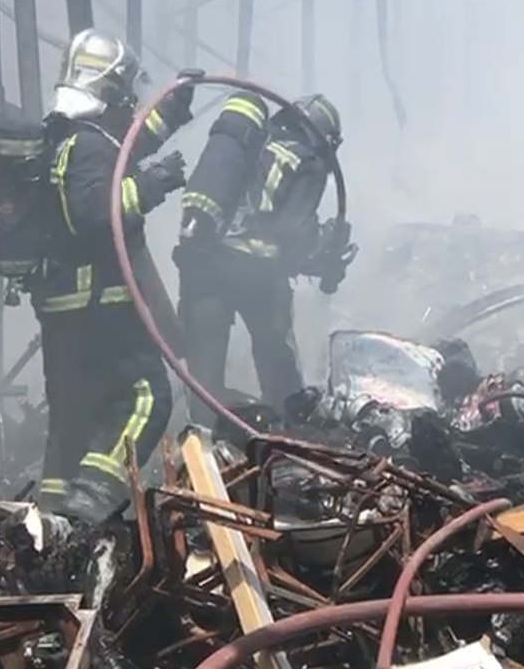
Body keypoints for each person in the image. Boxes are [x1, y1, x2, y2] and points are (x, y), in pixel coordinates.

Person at [32, 28, 197, 520]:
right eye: (125, 89)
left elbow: (127, 145)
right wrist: (153, 184)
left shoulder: (65, 138)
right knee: (150, 398)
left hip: (65, 307)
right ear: (108, 87)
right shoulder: (88, 146)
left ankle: (50, 520)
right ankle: (91, 504)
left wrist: (173, 108)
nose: (130, 100)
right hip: (99, 304)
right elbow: (95, 213)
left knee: (73, 420)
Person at [174, 92, 356, 428]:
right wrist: (324, 244)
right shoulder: (309, 162)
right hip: (258, 278)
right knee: (279, 368)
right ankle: (288, 436)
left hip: (205, 267)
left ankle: (202, 440)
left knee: (204, 376)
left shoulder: (251, 142)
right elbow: (291, 235)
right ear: (326, 139)